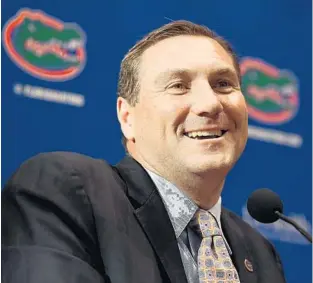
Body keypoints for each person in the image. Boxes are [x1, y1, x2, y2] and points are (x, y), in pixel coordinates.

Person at [2, 20, 286, 283]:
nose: (210, 104)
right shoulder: (64, 192)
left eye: (223, 84)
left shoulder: (261, 252)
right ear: (127, 118)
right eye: (178, 86)